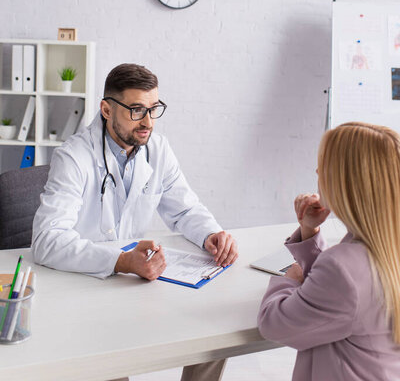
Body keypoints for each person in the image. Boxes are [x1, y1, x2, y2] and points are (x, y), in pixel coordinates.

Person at [32, 63, 238, 381]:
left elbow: (184, 209)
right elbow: (47, 240)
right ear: (106, 109)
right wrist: (122, 261)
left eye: (154, 109)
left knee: (214, 335)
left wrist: (210, 233)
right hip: (87, 284)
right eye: (136, 110)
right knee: (113, 366)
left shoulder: (157, 150)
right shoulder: (73, 157)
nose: (147, 122)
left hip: (138, 282)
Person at [257, 122, 400, 381]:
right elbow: (335, 300)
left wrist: (287, 282)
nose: (316, 171)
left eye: (324, 166)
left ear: (345, 184)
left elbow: (274, 324)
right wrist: (309, 232)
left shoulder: (343, 269)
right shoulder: (385, 250)